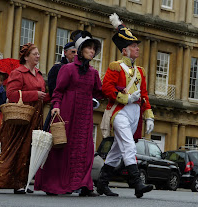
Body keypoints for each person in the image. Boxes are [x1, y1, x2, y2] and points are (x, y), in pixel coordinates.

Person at [34, 31, 104, 196]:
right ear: (80, 50)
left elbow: (99, 92)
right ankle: (54, 184)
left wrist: (117, 88)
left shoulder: (93, 73)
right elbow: (58, 91)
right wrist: (56, 105)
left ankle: (84, 185)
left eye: (94, 49)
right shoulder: (67, 68)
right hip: (67, 111)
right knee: (62, 148)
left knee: (85, 148)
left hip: (85, 114)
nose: (92, 51)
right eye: (89, 48)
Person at [97, 13, 154, 198]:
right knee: (128, 146)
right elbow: (106, 88)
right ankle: (137, 183)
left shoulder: (140, 71)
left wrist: (149, 116)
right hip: (119, 112)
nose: (137, 49)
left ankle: (102, 183)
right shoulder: (115, 66)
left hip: (135, 113)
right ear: (124, 50)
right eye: (133, 46)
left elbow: (144, 95)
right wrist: (126, 98)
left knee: (115, 152)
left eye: (136, 46)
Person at [0, 43, 48, 194]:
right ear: (26, 57)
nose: (38, 56)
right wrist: (35, 95)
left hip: (36, 115)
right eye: (35, 54)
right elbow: (12, 94)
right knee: (15, 148)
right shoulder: (18, 73)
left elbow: (42, 94)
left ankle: (22, 182)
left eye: (38, 53)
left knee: (28, 149)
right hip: (21, 116)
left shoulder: (39, 74)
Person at [43, 41, 77, 131]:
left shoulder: (80, 70)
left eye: (77, 52)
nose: (75, 55)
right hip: (60, 107)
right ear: (65, 53)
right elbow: (53, 90)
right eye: (73, 52)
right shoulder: (57, 68)